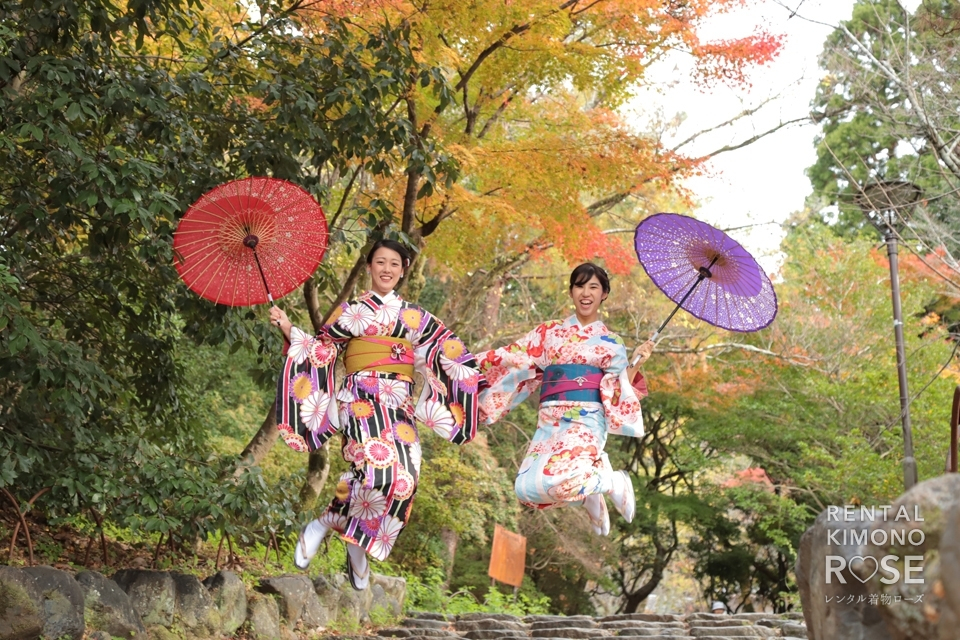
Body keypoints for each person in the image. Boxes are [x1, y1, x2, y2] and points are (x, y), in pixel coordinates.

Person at [269, 239, 482, 589]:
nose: (386, 269)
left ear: (403, 270)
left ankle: (347, 536)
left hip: (399, 403)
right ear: (368, 266)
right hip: (359, 398)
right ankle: (325, 527)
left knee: (404, 480)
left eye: (394, 264)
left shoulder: (417, 317)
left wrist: (478, 377)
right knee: (372, 469)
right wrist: (289, 329)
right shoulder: (351, 310)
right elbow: (321, 350)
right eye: (380, 262)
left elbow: (449, 354)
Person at [475, 263, 654, 535]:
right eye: (580, 285)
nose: (586, 292)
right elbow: (514, 356)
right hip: (550, 417)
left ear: (604, 293)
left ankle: (611, 482)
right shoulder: (548, 332)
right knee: (526, 489)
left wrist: (639, 361)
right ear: (571, 291)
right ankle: (590, 489)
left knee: (561, 480)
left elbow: (620, 383)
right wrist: (467, 365)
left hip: (587, 417)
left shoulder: (611, 341)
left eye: (593, 287)